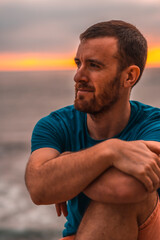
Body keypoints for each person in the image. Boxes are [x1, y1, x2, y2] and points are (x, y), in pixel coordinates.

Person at [25, 20, 160, 240]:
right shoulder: (55, 124)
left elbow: (127, 188)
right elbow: (39, 188)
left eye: (94, 65)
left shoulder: (154, 124)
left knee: (119, 202)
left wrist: (66, 172)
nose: (78, 76)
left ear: (129, 76)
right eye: (79, 63)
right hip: (81, 235)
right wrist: (112, 151)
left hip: (146, 232)